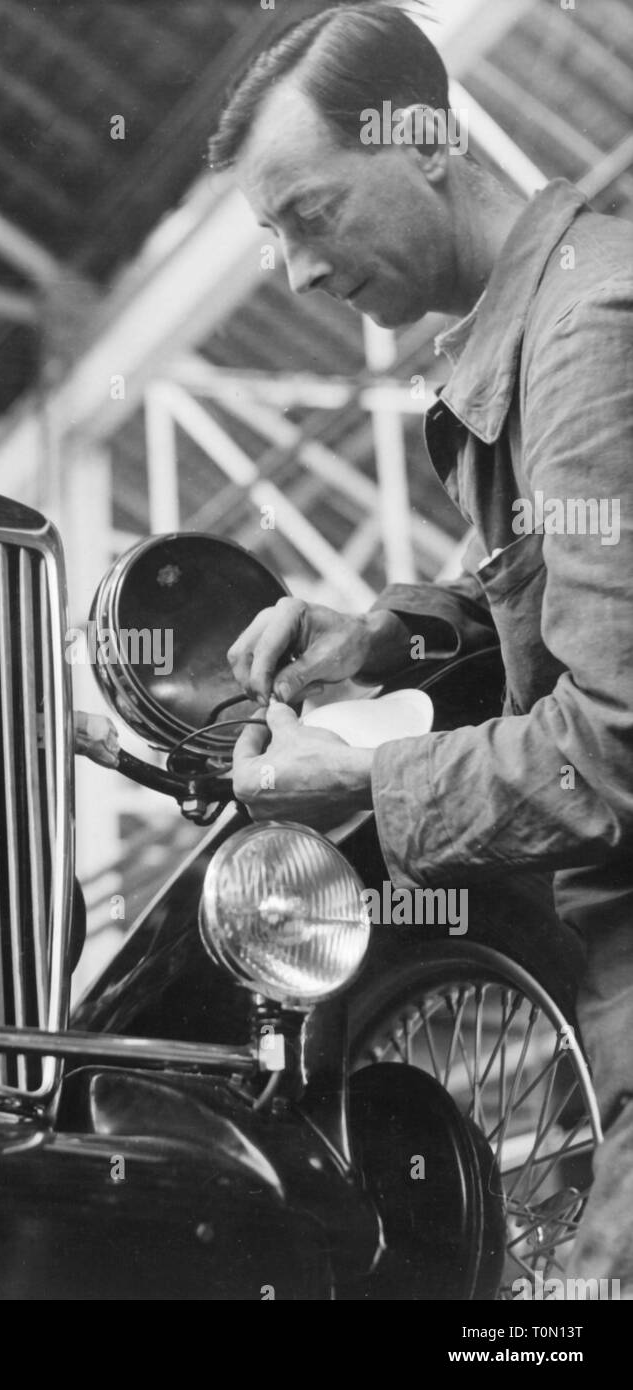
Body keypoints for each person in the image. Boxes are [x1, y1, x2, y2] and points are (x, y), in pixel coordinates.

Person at [212, 3, 633, 1286]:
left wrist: (364, 785)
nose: (297, 272)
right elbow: (563, 596)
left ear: (426, 139)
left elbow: (614, 747)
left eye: (310, 212)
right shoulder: (549, 318)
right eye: (272, 235)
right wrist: (379, 639)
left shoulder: (588, 338)